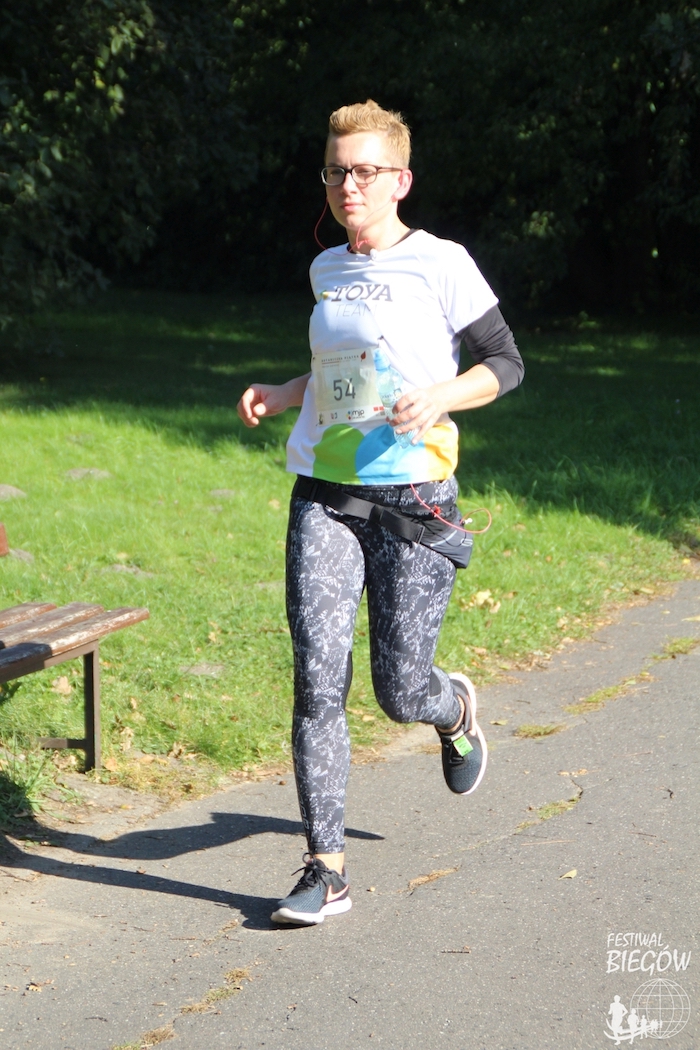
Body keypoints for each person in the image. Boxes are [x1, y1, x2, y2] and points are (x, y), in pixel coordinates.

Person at [237, 100, 524, 926]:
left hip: (415, 501)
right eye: (336, 171)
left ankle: (453, 708)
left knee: (399, 690)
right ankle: (325, 870)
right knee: (317, 678)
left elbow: (505, 362)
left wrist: (442, 395)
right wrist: (282, 392)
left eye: (364, 171)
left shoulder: (442, 262)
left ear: (400, 180)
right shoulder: (326, 268)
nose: (348, 186)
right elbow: (342, 372)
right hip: (324, 496)